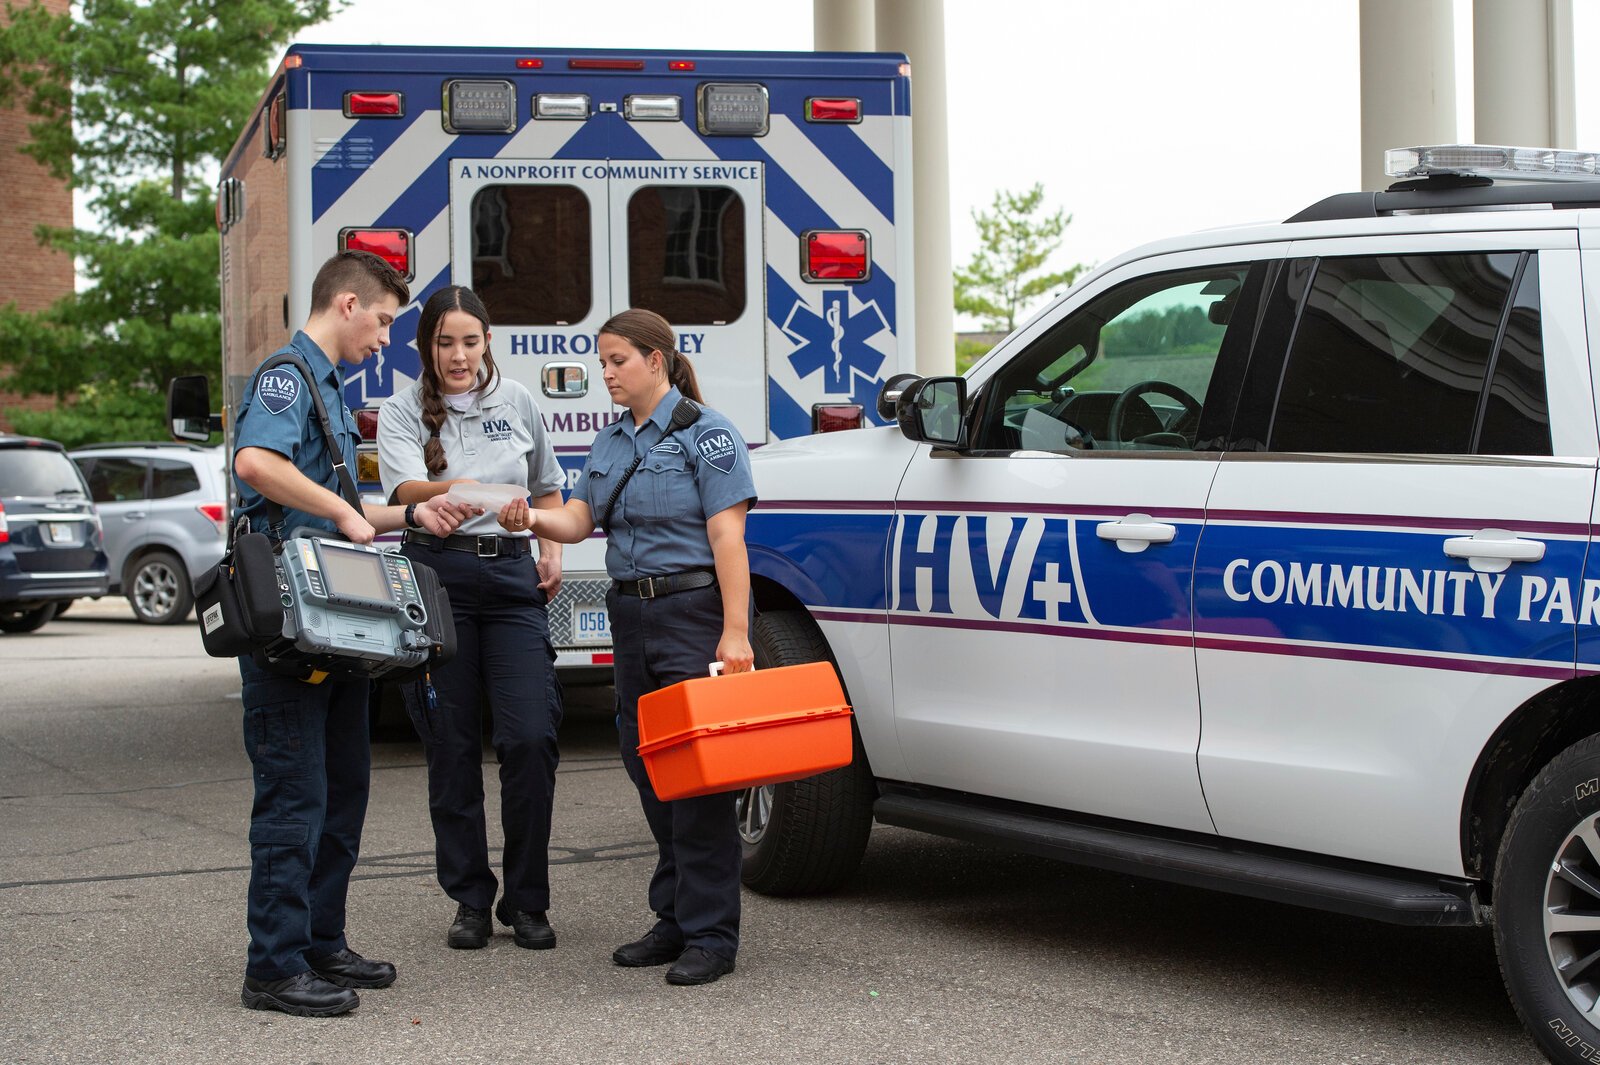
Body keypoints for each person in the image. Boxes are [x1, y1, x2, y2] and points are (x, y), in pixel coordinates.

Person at [230, 250, 478, 1018]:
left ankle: (320, 940)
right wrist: (342, 511)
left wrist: (411, 513)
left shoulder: (330, 386)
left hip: (332, 623)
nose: (385, 338)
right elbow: (256, 463)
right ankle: (273, 966)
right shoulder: (287, 376)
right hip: (289, 624)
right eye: (383, 320)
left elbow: (337, 501)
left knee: (343, 790)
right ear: (346, 304)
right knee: (294, 797)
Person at [526, 308, 755, 987]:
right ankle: (676, 915)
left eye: (617, 360)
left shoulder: (708, 434)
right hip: (630, 613)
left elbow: (727, 537)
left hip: (691, 611)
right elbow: (578, 519)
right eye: (601, 361)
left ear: (657, 360)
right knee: (645, 759)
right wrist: (528, 516)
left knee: (698, 773)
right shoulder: (610, 441)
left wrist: (735, 631)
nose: (606, 373)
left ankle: (711, 933)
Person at [375, 285, 567, 952]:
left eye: (470, 341)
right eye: (444, 342)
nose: (458, 356)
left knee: (531, 737)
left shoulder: (517, 401)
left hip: (512, 580)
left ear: (488, 341)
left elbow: (547, 487)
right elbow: (404, 490)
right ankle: (470, 899)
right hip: (437, 579)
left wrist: (550, 549)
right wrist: (470, 492)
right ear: (424, 346)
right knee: (451, 747)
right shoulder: (399, 411)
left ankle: (528, 899)